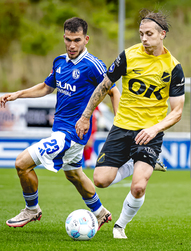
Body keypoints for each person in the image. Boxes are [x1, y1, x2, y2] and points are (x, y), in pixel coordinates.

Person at [0, 17, 125, 229]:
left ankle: (32, 209)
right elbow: (47, 87)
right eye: (68, 40)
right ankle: (100, 213)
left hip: (71, 135)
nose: (72, 45)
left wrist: (120, 126)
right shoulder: (59, 61)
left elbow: (112, 90)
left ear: (86, 39)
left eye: (77, 40)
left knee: (21, 163)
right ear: (64, 37)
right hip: (59, 129)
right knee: (74, 174)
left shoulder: (93, 65)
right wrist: (18, 94)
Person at [75, 9, 185, 239]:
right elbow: (104, 86)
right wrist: (85, 116)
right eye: (141, 34)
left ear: (162, 34)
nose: (144, 39)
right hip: (122, 127)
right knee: (100, 181)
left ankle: (120, 226)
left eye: (149, 34)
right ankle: (134, 163)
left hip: (150, 133)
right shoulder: (128, 55)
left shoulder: (173, 67)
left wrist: (154, 128)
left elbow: (177, 112)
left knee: (138, 187)